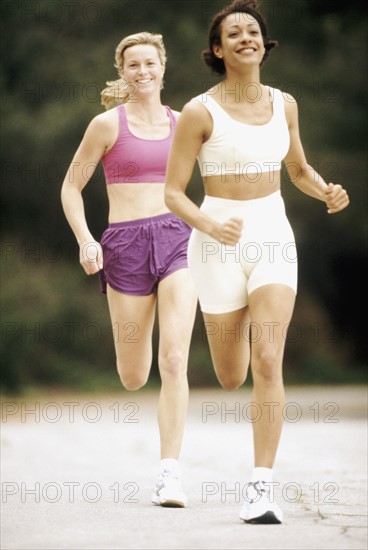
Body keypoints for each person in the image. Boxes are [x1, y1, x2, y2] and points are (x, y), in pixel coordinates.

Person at [165, 0, 349, 524]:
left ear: (263, 44)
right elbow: (174, 193)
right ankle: (236, 324)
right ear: (218, 50)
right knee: (230, 375)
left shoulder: (285, 104)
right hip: (216, 239)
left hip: (272, 234)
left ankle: (261, 487)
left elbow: (297, 167)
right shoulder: (200, 111)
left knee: (269, 360)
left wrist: (325, 192)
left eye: (253, 30)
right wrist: (209, 225)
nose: (245, 37)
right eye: (234, 33)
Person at [61, 32, 197, 508]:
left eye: (150, 64)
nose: (143, 72)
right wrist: (85, 239)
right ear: (123, 72)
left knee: (175, 360)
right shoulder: (105, 125)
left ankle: (170, 474)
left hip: (179, 239)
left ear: (164, 68)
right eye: (133, 65)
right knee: (135, 375)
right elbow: (70, 188)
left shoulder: (186, 124)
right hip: (124, 246)